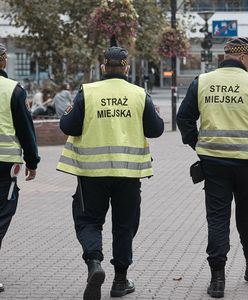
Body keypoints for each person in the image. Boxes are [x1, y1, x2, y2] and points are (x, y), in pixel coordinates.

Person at [57, 46, 164, 300]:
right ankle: (120, 281)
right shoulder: (139, 94)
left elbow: (67, 125)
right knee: (124, 226)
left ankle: (94, 263)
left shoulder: (88, 92)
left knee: (89, 221)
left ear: (103, 67)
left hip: (92, 174)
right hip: (128, 174)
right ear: (126, 67)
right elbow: (156, 130)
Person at [176, 37, 248, 298]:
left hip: (214, 162)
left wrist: (198, 144)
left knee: (217, 218)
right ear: (243, 57)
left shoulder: (203, 81)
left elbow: (183, 118)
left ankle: (217, 279)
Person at [0, 43, 40, 292]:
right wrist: (32, 161)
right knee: (2, 214)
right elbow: (26, 130)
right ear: (3, 61)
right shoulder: (12, 90)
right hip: (3, 166)